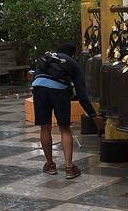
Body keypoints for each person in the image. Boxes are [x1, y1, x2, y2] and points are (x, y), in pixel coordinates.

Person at [31, 43, 104, 179]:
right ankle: (69, 168)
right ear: (73, 54)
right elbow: (81, 95)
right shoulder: (72, 63)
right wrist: (94, 116)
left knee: (45, 127)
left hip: (39, 87)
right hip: (59, 91)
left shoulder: (48, 57)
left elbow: (35, 77)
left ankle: (50, 165)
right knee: (64, 128)